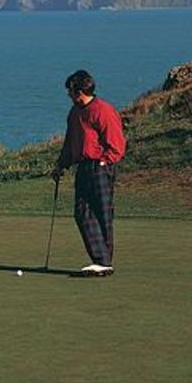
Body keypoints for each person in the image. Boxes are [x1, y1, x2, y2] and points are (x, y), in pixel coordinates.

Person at [51, 70, 126, 277]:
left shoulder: (103, 110)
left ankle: (103, 261)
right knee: (82, 212)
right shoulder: (74, 112)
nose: (69, 95)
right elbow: (69, 143)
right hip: (83, 167)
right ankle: (101, 259)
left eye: (71, 91)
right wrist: (61, 165)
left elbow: (116, 144)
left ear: (80, 91)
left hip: (101, 167)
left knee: (102, 212)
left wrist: (105, 161)